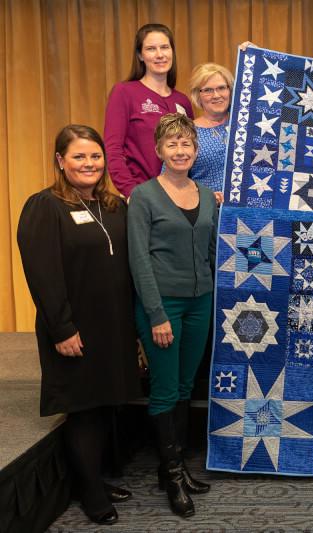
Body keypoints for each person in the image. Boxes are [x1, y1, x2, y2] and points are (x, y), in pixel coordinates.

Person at [17, 125, 141, 525]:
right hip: (75, 327)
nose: (89, 164)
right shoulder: (44, 206)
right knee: (84, 411)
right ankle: (90, 493)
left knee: (106, 405)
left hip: (114, 325)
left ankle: (95, 479)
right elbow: (43, 275)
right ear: (60, 161)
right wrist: (62, 329)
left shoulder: (114, 205)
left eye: (95, 156)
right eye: (79, 157)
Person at [128, 114, 217, 518]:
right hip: (163, 306)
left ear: (196, 151)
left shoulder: (205, 192)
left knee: (184, 386)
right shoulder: (143, 196)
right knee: (164, 389)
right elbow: (139, 261)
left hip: (202, 303)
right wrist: (156, 313)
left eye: (187, 144)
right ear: (159, 151)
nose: (180, 151)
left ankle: (174, 468)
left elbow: (214, 251)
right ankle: (173, 475)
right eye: (172, 144)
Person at [105, 23, 193, 197]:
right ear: (140, 55)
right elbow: (113, 149)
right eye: (151, 49)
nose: (160, 54)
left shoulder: (182, 100)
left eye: (165, 47)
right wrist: (132, 192)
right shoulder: (124, 92)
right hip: (144, 196)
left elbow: (191, 151)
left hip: (180, 197)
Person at [186, 62, 234, 201]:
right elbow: (172, 182)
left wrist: (253, 53)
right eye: (208, 90)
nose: (216, 95)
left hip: (249, 216)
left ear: (230, 91)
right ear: (197, 95)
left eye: (221, 88)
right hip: (207, 215)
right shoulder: (187, 133)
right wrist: (204, 198)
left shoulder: (248, 125)